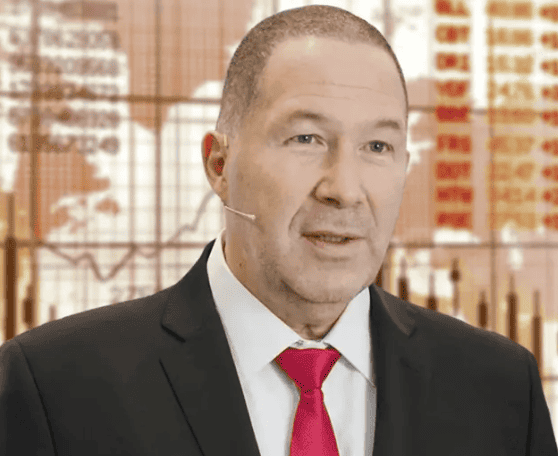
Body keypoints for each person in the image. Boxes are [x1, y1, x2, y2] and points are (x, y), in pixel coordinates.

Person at [1, 4, 556, 456]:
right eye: (305, 139)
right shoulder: (55, 387)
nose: (344, 188)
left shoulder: (500, 389)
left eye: (377, 146)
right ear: (219, 165)